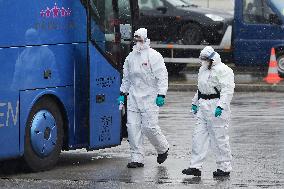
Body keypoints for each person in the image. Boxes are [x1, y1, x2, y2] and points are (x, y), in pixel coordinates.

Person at [118, 28, 169, 168]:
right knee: (133, 128)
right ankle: (137, 158)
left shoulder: (154, 56)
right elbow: (126, 78)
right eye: (136, 40)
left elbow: (162, 77)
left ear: (146, 40)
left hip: (150, 97)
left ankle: (163, 148)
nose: (137, 42)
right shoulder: (130, 57)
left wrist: (161, 94)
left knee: (149, 127)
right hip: (134, 97)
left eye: (140, 40)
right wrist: (122, 93)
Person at [182, 46, 235, 177]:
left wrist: (221, 106)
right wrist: (195, 103)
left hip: (216, 105)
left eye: (205, 59)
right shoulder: (203, 69)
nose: (203, 61)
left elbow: (227, 90)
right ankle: (195, 166)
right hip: (203, 105)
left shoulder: (224, 70)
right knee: (198, 137)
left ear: (212, 58)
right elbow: (200, 89)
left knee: (219, 138)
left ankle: (224, 167)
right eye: (202, 59)